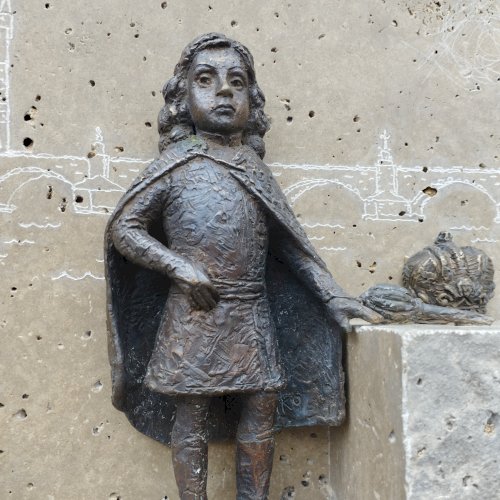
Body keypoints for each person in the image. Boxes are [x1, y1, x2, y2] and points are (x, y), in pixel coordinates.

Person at [105, 33, 381, 500]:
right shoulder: (176, 164)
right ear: (182, 97)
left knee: (261, 411)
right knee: (191, 416)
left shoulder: (254, 170)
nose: (224, 91)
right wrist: (178, 267)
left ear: (251, 99)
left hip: (251, 314)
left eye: (237, 82)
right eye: (206, 80)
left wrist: (332, 295)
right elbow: (125, 229)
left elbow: (290, 248)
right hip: (194, 312)